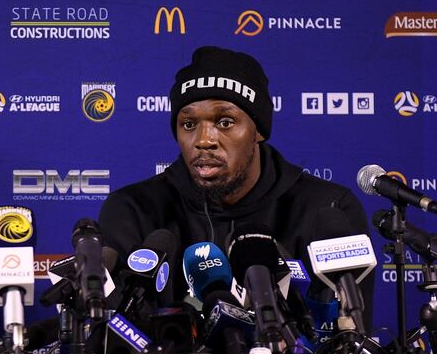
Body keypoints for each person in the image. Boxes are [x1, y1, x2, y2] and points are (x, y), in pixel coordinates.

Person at [98, 46, 373, 329]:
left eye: (225, 122)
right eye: (189, 124)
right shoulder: (133, 210)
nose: (204, 140)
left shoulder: (326, 209)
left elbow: (350, 339)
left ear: (258, 130)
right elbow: (115, 338)